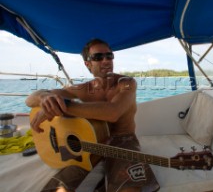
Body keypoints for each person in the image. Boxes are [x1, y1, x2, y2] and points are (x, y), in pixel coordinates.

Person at [25, 38, 160, 192]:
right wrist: (45, 98)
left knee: (129, 188)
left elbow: (113, 112)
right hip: (90, 143)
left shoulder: (127, 83)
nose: (106, 61)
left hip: (123, 140)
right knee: (58, 189)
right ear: (87, 64)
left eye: (109, 56)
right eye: (98, 57)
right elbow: (30, 99)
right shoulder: (83, 89)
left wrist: (62, 106)